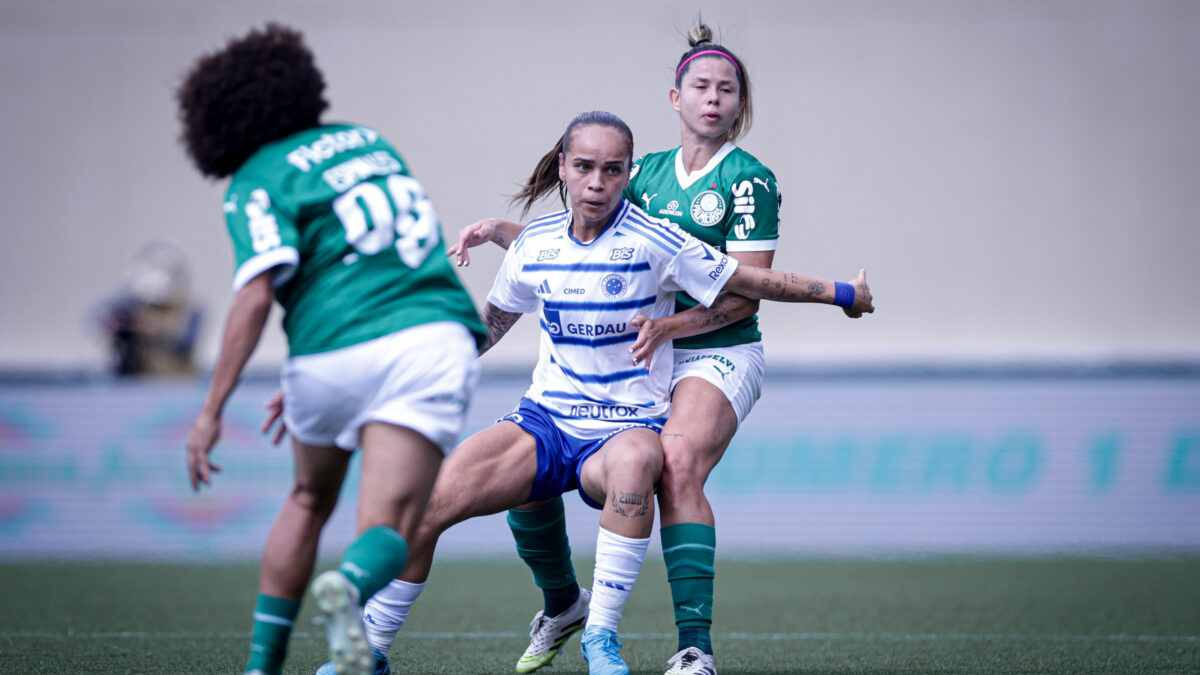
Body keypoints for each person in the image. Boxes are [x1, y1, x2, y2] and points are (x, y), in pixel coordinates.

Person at [345, 111, 871, 675]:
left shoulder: (657, 240)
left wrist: (841, 293)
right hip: (546, 422)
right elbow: (489, 328)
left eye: (612, 170)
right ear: (563, 168)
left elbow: (749, 283)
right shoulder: (536, 242)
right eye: (584, 167)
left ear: (628, 174)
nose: (597, 182)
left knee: (641, 462)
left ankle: (600, 638)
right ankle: (366, 655)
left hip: (625, 426)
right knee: (427, 503)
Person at [444, 22, 794, 675]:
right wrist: (503, 233)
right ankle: (562, 604)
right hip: (649, 349)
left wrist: (669, 327)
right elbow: (590, 243)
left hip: (717, 347)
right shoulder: (643, 171)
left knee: (676, 462)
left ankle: (694, 649)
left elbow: (746, 296)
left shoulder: (749, 181)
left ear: (741, 105)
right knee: (532, 465)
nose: (712, 98)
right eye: (700, 86)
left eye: (726, 89)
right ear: (675, 98)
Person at [176, 24, 485, 675]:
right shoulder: (369, 142)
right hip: (427, 337)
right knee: (391, 528)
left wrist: (211, 409)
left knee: (307, 499)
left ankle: (261, 666)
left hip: (327, 354)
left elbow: (255, 297)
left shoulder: (257, 178)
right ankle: (348, 585)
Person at [92, 242, 202, 377]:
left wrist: (153, 329)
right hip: (137, 379)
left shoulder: (191, 311)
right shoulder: (133, 305)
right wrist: (117, 325)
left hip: (175, 380)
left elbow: (184, 342)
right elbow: (96, 316)